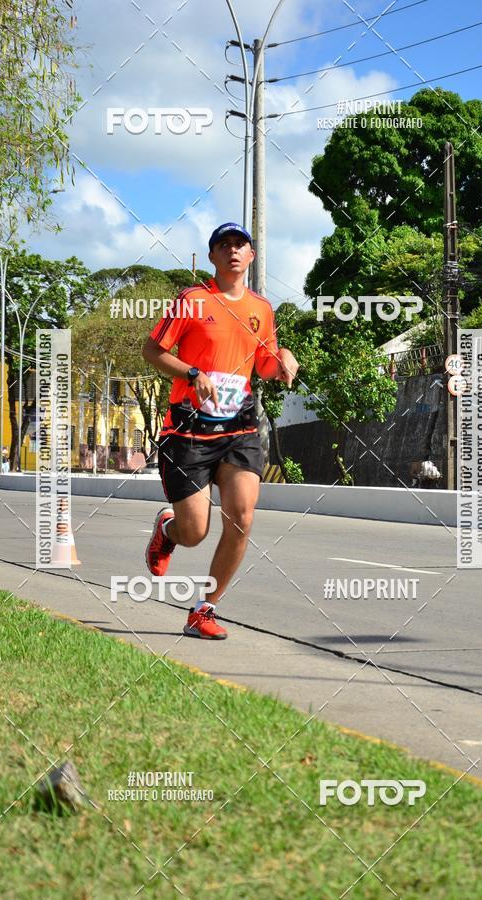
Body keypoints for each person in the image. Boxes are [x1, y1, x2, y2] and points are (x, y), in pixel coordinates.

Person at [142, 222, 299, 640]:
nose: (233, 251)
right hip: (189, 430)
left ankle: (204, 609)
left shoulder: (262, 309)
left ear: (251, 256)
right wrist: (192, 372)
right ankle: (168, 530)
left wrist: (282, 358)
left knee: (242, 519)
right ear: (212, 257)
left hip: (240, 429)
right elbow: (152, 350)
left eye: (240, 245)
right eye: (224, 245)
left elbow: (263, 364)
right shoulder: (192, 300)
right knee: (195, 532)